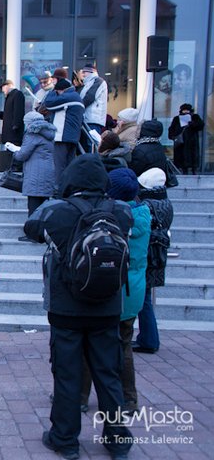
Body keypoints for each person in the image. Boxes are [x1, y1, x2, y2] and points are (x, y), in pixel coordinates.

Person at [23, 154, 133, 460]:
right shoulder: (121, 211)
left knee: (67, 375)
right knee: (109, 375)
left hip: (66, 308)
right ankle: (118, 442)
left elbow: (31, 226)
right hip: (108, 307)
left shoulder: (58, 211)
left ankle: (66, 439)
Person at [80, 168, 150, 415]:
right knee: (124, 345)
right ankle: (129, 400)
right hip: (134, 290)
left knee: (90, 341)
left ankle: (80, 395)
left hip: (112, 285)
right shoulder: (144, 214)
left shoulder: (114, 217)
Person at [134, 168, 174, 354]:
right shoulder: (166, 203)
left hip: (147, 253)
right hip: (158, 254)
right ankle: (148, 337)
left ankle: (149, 338)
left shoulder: (147, 205)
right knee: (146, 298)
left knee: (144, 300)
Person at [6, 111, 55, 219]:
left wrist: (15, 151)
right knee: (43, 206)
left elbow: (22, 155)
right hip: (48, 173)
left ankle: (32, 234)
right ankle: (41, 232)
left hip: (35, 175)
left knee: (33, 206)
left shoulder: (32, 133)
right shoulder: (49, 132)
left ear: (28, 123)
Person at [44, 78, 84, 184]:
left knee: (59, 166)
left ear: (61, 90)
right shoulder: (76, 97)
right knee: (69, 165)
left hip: (62, 136)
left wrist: (52, 90)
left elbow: (48, 103)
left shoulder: (68, 97)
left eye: (58, 92)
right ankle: (68, 189)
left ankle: (59, 191)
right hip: (73, 136)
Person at [168, 103, 204, 174]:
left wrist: (192, 123)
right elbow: (171, 129)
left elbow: (201, 125)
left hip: (191, 143)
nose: (185, 112)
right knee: (182, 160)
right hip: (181, 143)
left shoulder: (195, 117)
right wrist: (173, 136)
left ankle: (194, 171)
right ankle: (183, 170)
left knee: (193, 159)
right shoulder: (177, 118)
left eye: (187, 111)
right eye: (184, 111)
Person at [0, 79, 25, 146]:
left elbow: (18, 111)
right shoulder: (9, 97)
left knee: (14, 152)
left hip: (14, 134)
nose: (3, 90)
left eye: (3, 87)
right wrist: (0, 114)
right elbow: (9, 114)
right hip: (9, 133)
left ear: (9, 85)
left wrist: (16, 125)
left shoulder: (17, 94)